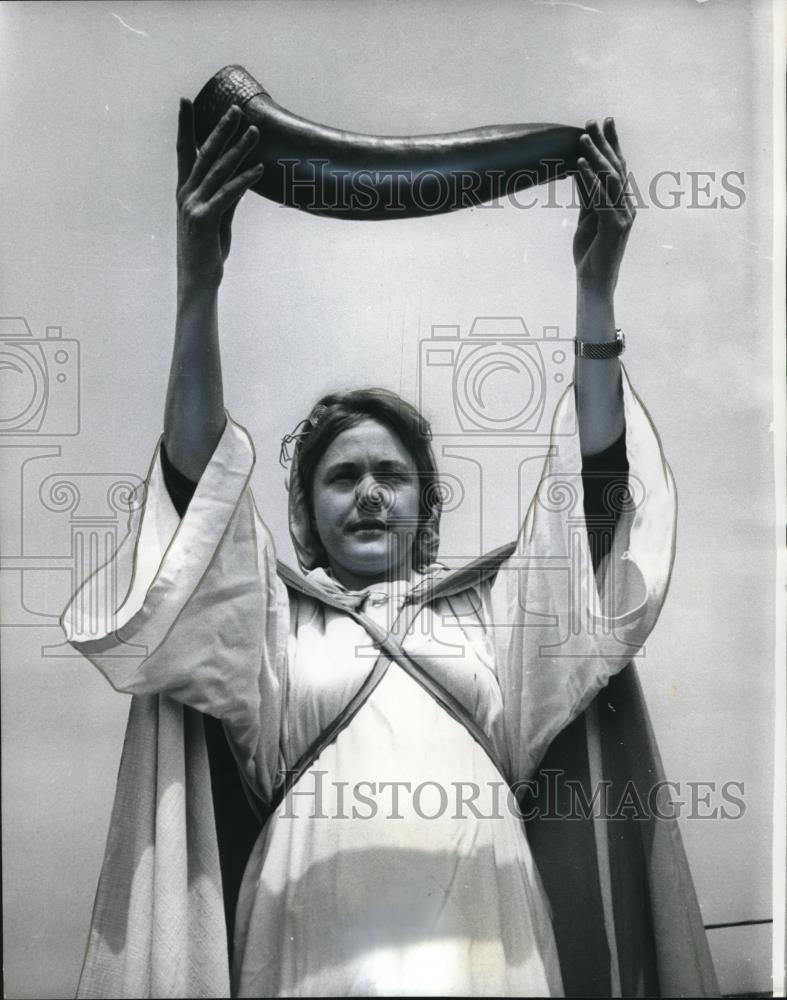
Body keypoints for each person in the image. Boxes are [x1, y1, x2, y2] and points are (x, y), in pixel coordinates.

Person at [62, 101, 717, 998]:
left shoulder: (495, 620)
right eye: (341, 477)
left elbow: (594, 501)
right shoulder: (269, 632)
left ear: (424, 504)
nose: (368, 491)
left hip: (487, 938)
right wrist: (197, 281)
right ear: (303, 515)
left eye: (390, 475)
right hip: (308, 940)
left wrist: (595, 294)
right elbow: (196, 488)